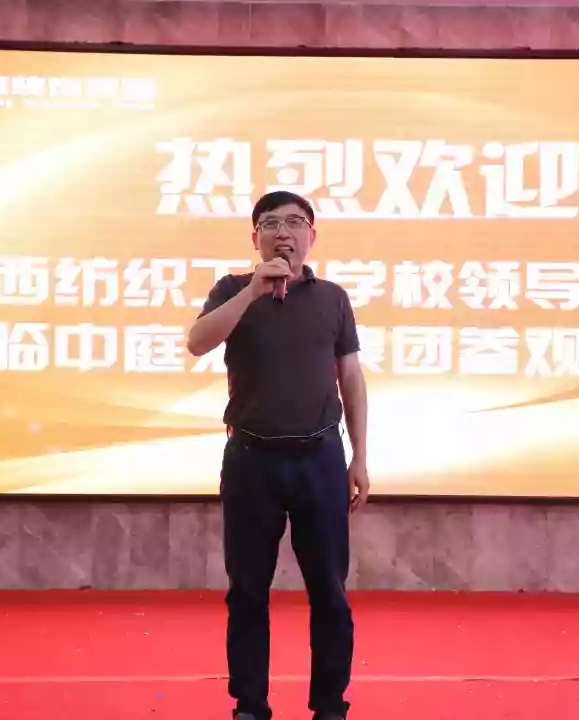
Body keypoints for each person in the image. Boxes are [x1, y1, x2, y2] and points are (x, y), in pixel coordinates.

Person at [187, 190, 370, 720]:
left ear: (312, 235)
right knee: (247, 590)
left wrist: (359, 457)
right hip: (251, 460)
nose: (283, 232)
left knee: (330, 590)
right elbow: (198, 342)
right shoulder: (232, 290)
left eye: (294, 222)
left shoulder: (332, 298)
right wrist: (253, 291)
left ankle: (330, 705)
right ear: (256, 238)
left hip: (320, 459)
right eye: (270, 223)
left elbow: (351, 378)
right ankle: (250, 705)